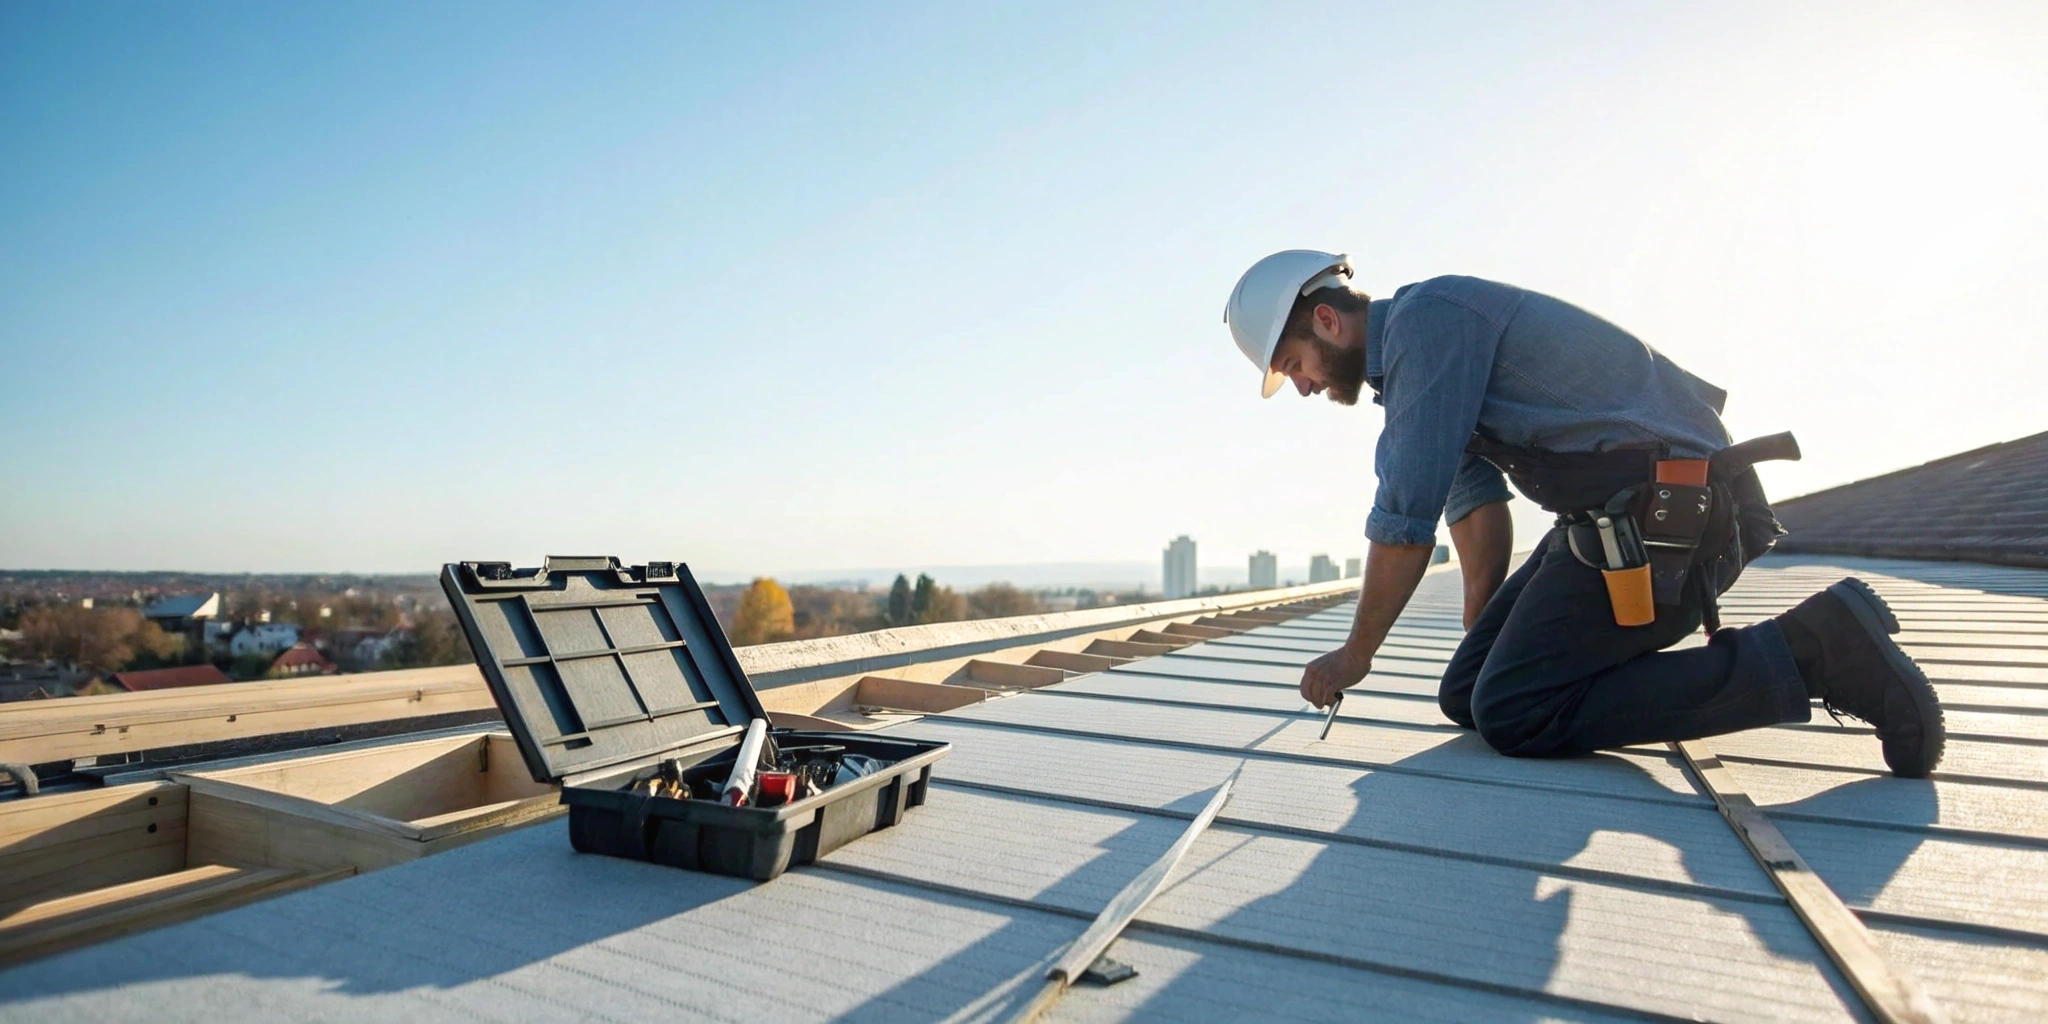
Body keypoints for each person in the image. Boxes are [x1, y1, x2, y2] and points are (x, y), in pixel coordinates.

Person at [1221, 251, 1945, 776]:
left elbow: (1404, 517)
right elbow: (1471, 506)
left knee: (1516, 710)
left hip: (1677, 522)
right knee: (1471, 692)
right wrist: (1484, 623)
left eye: (1294, 366)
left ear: (1326, 320)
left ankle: (1815, 647)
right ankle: (1809, 644)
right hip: (1613, 520)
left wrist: (1357, 655)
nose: (1305, 388)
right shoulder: (1419, 363)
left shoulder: (1428, 325)